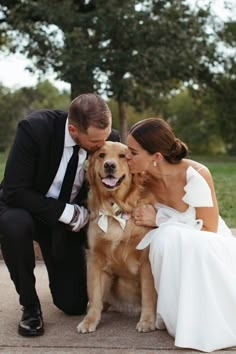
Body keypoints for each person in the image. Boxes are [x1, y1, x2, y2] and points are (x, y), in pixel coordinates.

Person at [0, 93, 120, 337]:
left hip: (67, 225)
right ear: (74, 130)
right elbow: (14, 190)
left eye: (106, 137)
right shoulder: (35, 130)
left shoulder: (107, 140)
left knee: (74, 305)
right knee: (13, 223)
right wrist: (66, 212)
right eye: (96, 141)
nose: (103, 146)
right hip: (25, 210)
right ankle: (30, 305)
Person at [125, 117, 235, 352]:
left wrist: (161, 220)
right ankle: (179, 315)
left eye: (133, 153)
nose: (127, 158)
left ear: (156, 156)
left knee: (169, 237)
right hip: (175, 246)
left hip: (209, 243)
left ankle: (207, 319)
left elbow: (209, 230)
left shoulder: (196, 174)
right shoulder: (138, 179)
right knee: (167, 239)